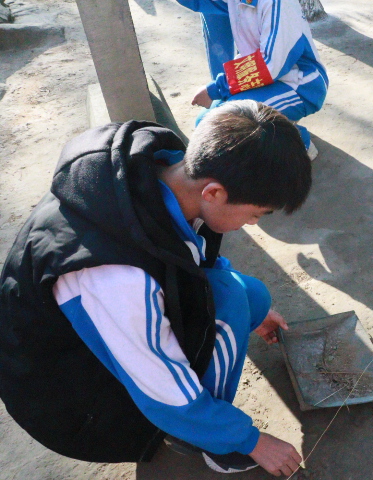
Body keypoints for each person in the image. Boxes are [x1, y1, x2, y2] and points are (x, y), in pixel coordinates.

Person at [0, 101, 311, 477]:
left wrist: (255, 313)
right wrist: (249, 440)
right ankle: (210, 441)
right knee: (229, 307)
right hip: (73, 397)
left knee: (250, 298)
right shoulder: (116, 278)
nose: (252, 224)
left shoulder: (163, 173)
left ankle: (204, 418)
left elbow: (191, 255)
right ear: (214, 193)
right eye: (254, 215)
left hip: (102, 335)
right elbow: (161, 385)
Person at [177, 0, 328, 160]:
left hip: (298, 86)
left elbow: (269, 65)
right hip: (263, 81)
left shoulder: (279, 4)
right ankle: (279, 126)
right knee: (205, 122)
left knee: (226, 126)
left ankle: (296, 143)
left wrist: (216, 89)